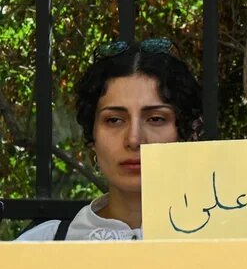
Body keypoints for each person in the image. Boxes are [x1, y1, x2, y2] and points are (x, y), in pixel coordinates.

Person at [17, 39, 202, 241]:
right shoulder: (43, 244)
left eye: (156, 119)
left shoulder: (229, 239)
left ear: (186, 134)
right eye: (114, 120)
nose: (134, 139)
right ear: (92, 136)